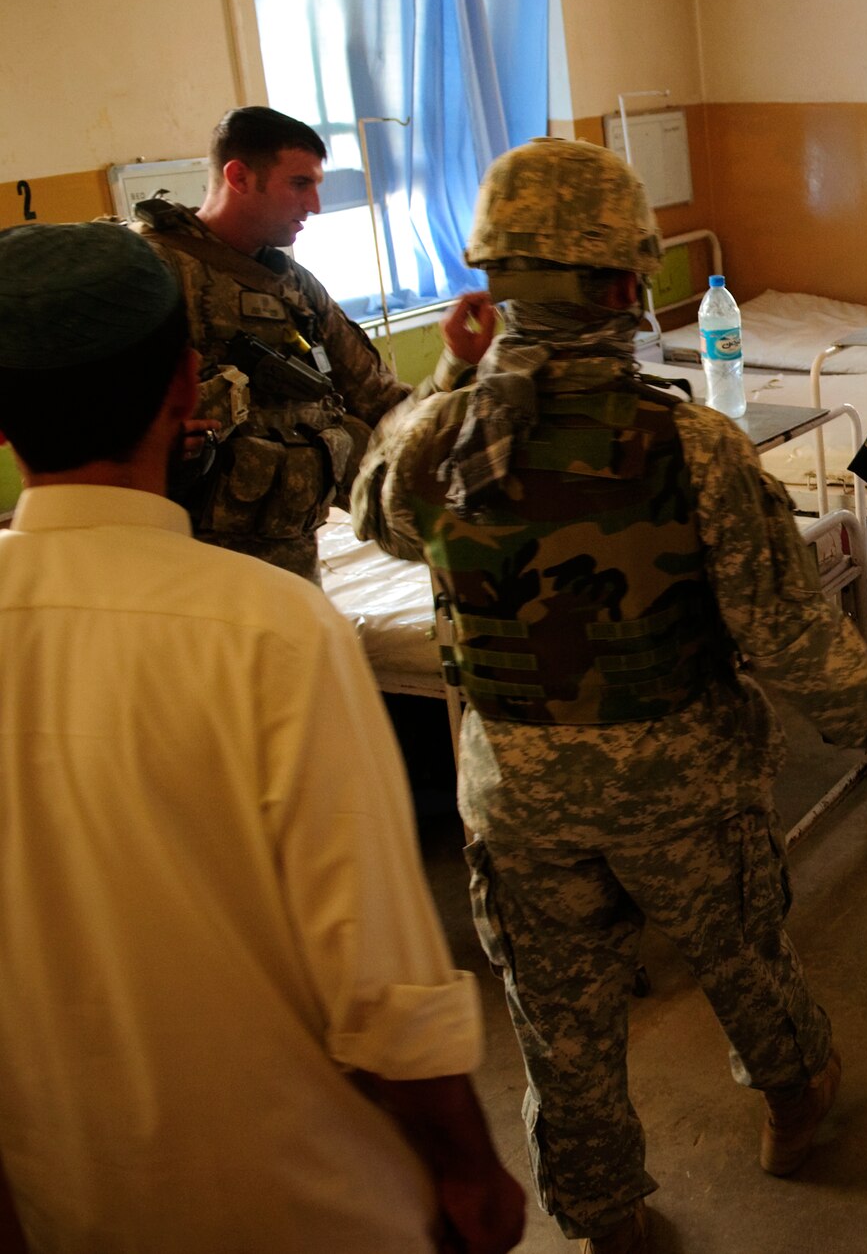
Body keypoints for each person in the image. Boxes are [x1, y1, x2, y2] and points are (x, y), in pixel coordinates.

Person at [351, 137, 867, 1253]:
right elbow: (784, 631)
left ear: (497, 282)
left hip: (518, 796)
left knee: (557, 1021)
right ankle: (792, 1097)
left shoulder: (444, 438)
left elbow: (378, 517)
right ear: (624, 287)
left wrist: (453, 377)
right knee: (742, 956)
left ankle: (606, 1216)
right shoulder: (690, 445)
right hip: (681, 787)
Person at [0, 221, 523, 1253]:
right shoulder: (271, 630)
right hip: (294, 1196)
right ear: (185, 385)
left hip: (65, 1191)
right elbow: (380, 978)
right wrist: (469, 1164)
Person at [129, 104, 472, 580]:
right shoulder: (151, 274)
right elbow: (97, 416)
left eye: (316, 186)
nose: (314, 205)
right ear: (239, 177)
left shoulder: (296, 289)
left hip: (291, 561)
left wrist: (456, 367)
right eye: (299, 184)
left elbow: (380, 403)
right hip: (186, 566)